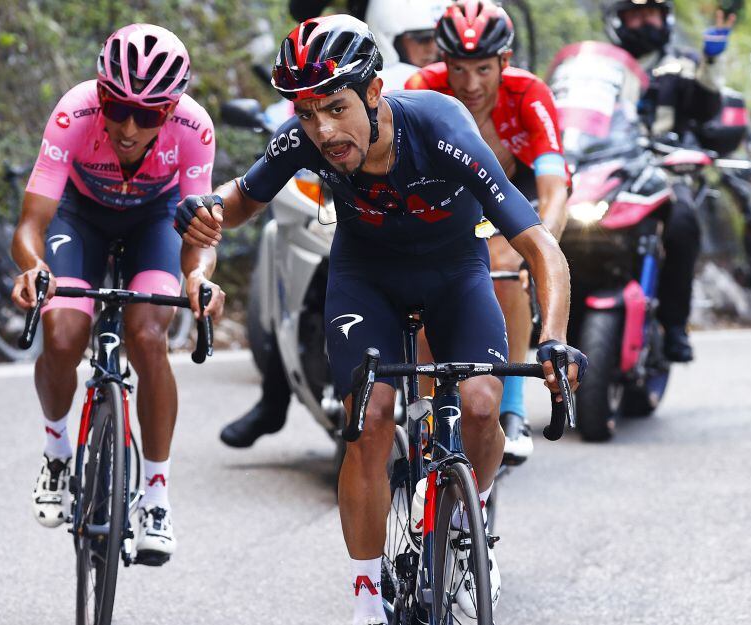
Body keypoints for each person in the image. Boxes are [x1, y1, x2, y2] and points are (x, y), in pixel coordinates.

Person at [175, 16, 586, 623]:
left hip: (455, 273)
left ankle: (472, 520)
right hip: (365, 279)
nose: (324, 130)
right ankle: (369, 595)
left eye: (337, 108)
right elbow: (237, 202)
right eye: (308, 113)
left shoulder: (442, 127)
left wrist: (553, 339)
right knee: (367, 421)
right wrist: (205, 215)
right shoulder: (306, 138)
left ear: (372, 92)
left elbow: (539, 244)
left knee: (479, 404)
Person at [10, 24, 225, 566]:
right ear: (100, 93)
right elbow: (31, 223)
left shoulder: (194, 128)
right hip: (80, 217)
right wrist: (34, 268)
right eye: (118, 106)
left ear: (171, 110)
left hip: (155, 221)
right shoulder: (74, 113)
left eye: (150, 115)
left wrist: (198, 280)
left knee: (148, 335)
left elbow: (198, 232)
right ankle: (57, 450)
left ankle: (155, 495)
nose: (129, 127)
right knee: (62, 332)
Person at [220, 0, 447, 449]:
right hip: (345, 216)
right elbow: (246, 194)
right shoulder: (316, 111)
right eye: (418, 42)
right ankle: (275, 396)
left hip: (434, 241)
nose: (428, 51)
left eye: (432, 43)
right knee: (282, 235)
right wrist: (204, 212)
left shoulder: (435, 96)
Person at [405, 0, 569, 465]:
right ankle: (424, 414)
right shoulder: (422, 88)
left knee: (504, 267)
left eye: (482, 69)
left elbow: (555, 189)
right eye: (458, 68)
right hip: (438, 203)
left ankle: (512, 409)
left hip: (505, 202)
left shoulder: (530, 95)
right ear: (442, 63)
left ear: (505, 62)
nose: (470, 84)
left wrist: (539, 251)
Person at [603, 0, 735, 362]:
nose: (645, 22)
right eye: (636, 15)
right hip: (604, 167)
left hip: (664, 168)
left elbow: (706, 107)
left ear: (665, 19)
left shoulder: (682, 62)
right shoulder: (600, 65)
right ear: (620, 20)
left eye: (652, 15)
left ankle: (674, 325)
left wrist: (712, 60)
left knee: (681, 222)